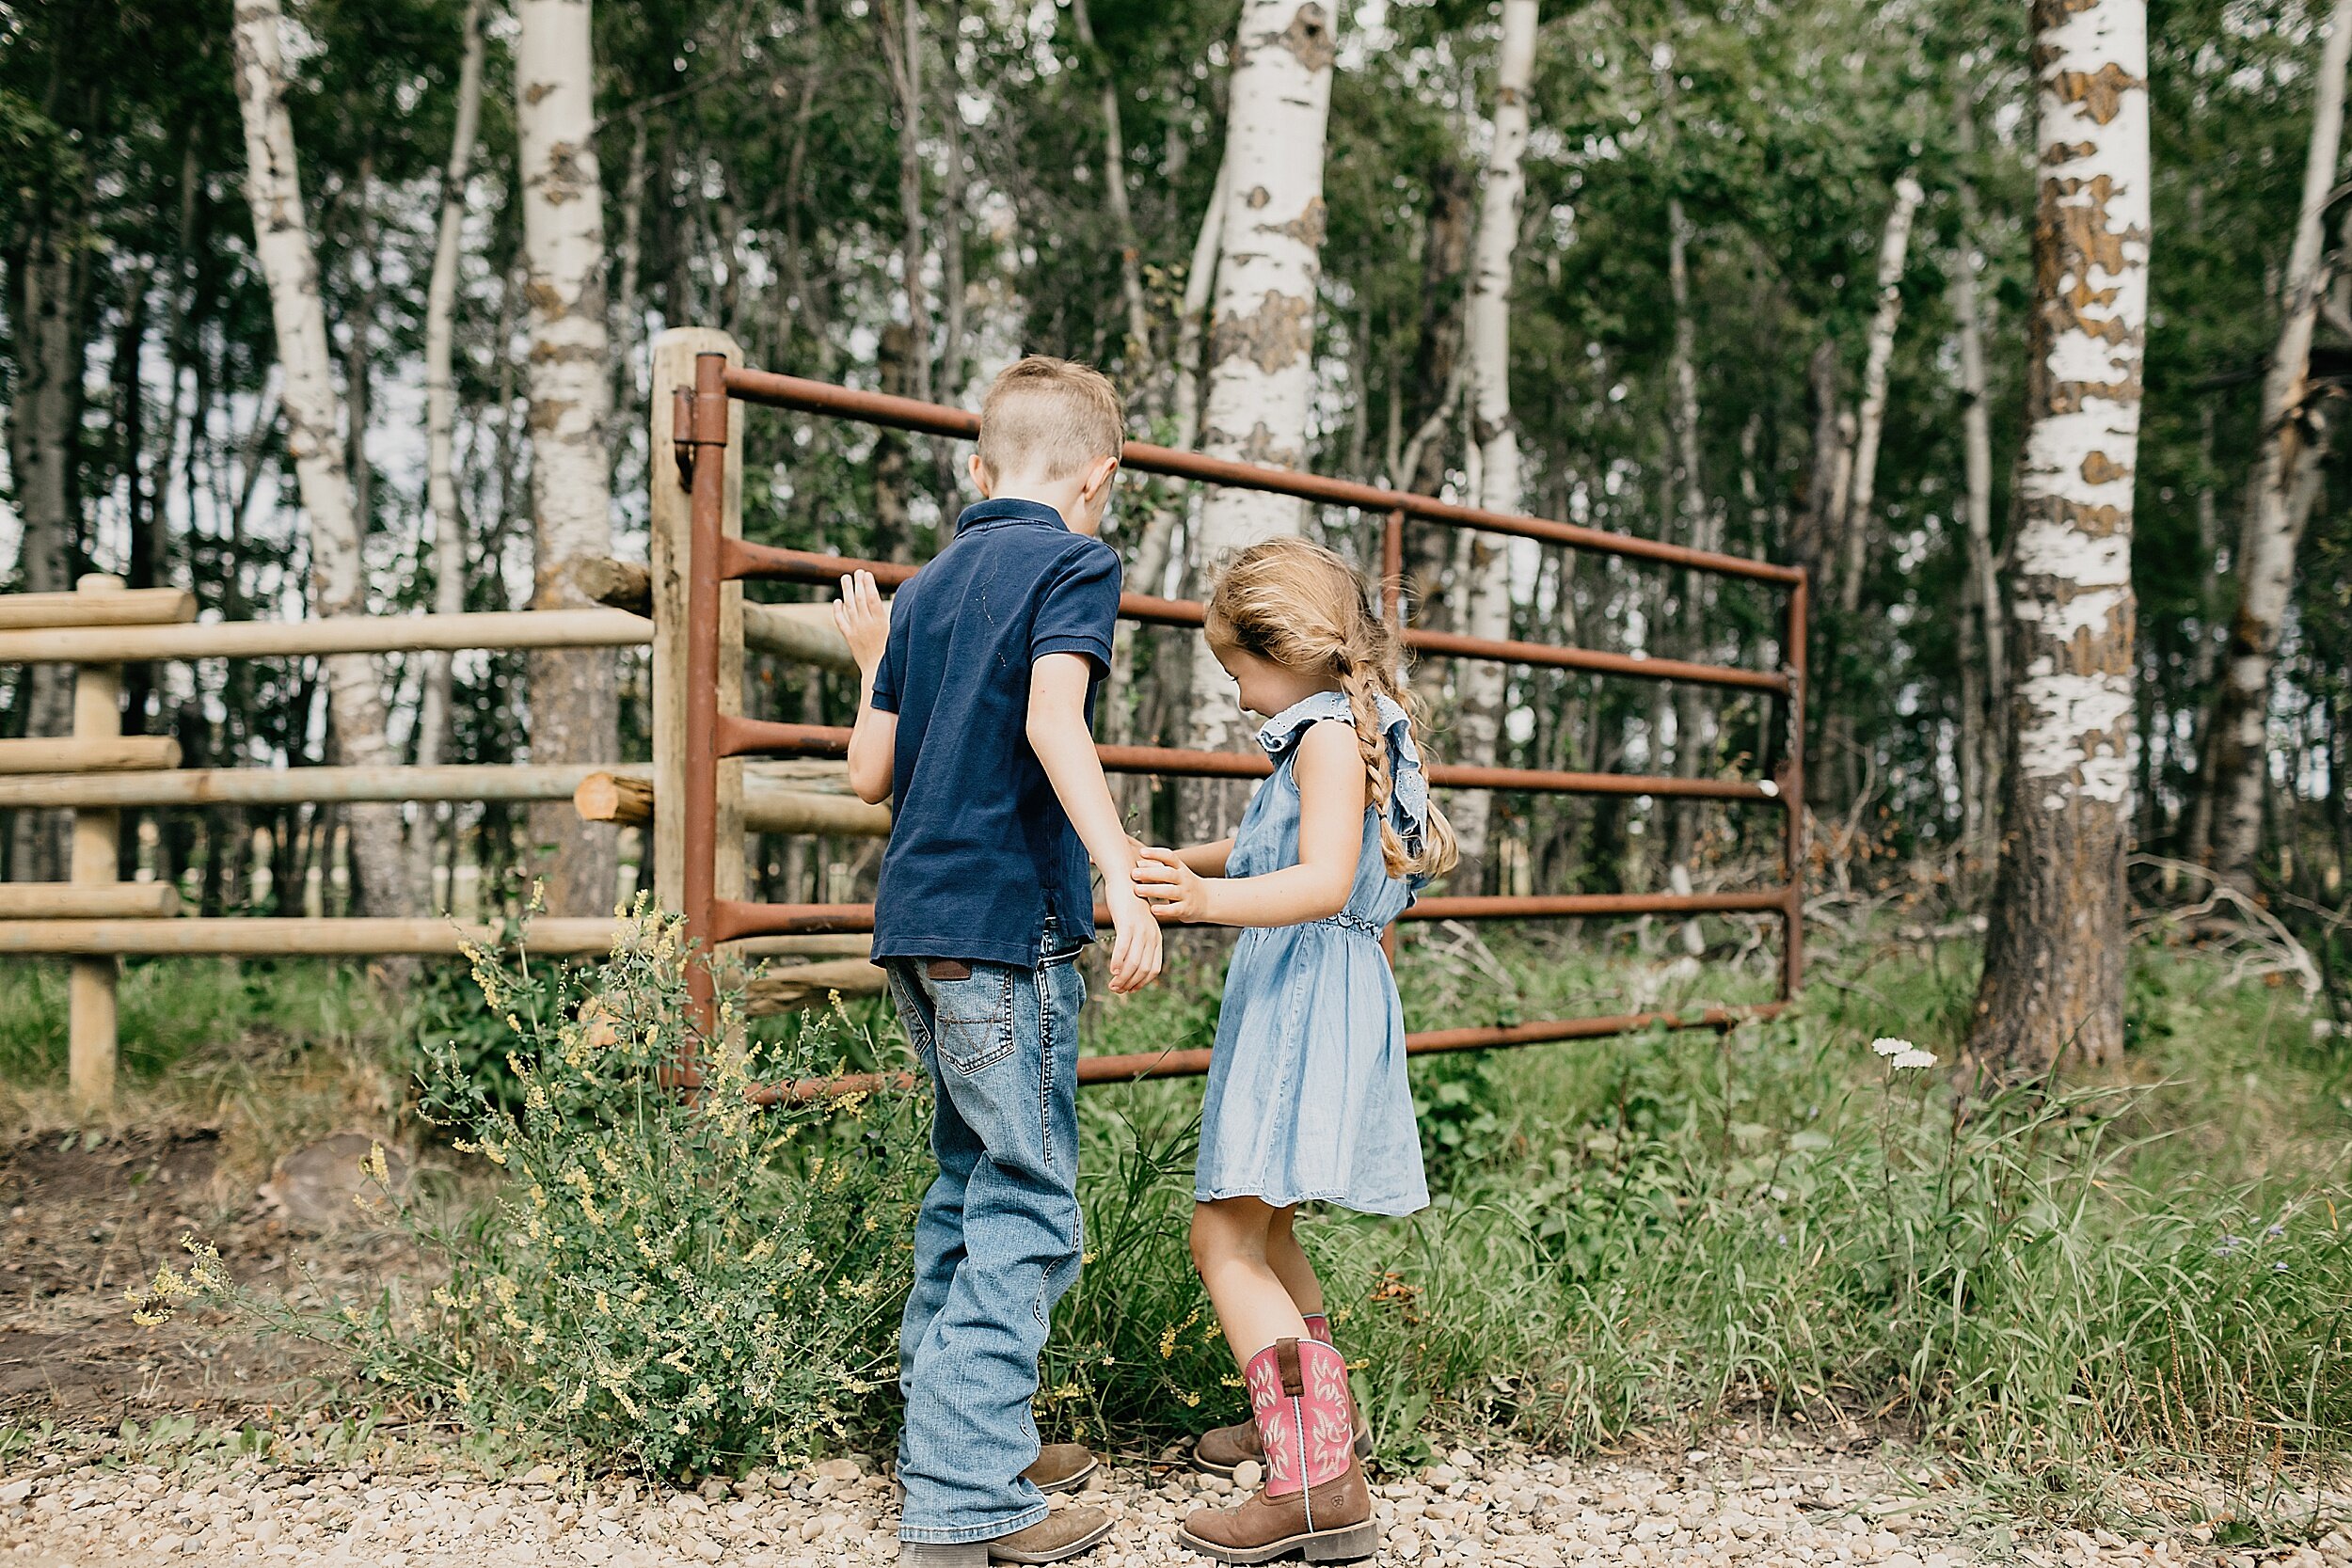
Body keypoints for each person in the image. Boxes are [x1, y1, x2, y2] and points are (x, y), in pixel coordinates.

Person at [833, 356, 1163, 1567]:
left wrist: (876, 656)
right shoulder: (1076, 561)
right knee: (1027, 1201)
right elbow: (1048, 718)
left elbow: (867, 775)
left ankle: (961, 1438)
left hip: (915, 933)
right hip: (1004, 929)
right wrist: (1118, 867)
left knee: (965, 1187)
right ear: (1100, 480)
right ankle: (967, 1502)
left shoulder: (920, 591)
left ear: (977, 469)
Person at [1132, 537, 1457, 1564]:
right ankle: (1324, 1425)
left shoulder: (1321, 734)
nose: (1235, 695)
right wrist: (1178, 860)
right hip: (1328, 991)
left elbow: (1316, 878)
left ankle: (1314, 1480)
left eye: (1238, 670)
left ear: (1285, 646)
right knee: (1266, 1229)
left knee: (1220, 1237)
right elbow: (1276, 845)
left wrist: (1203, 902)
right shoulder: (1354, 727)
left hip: (1300, 997)